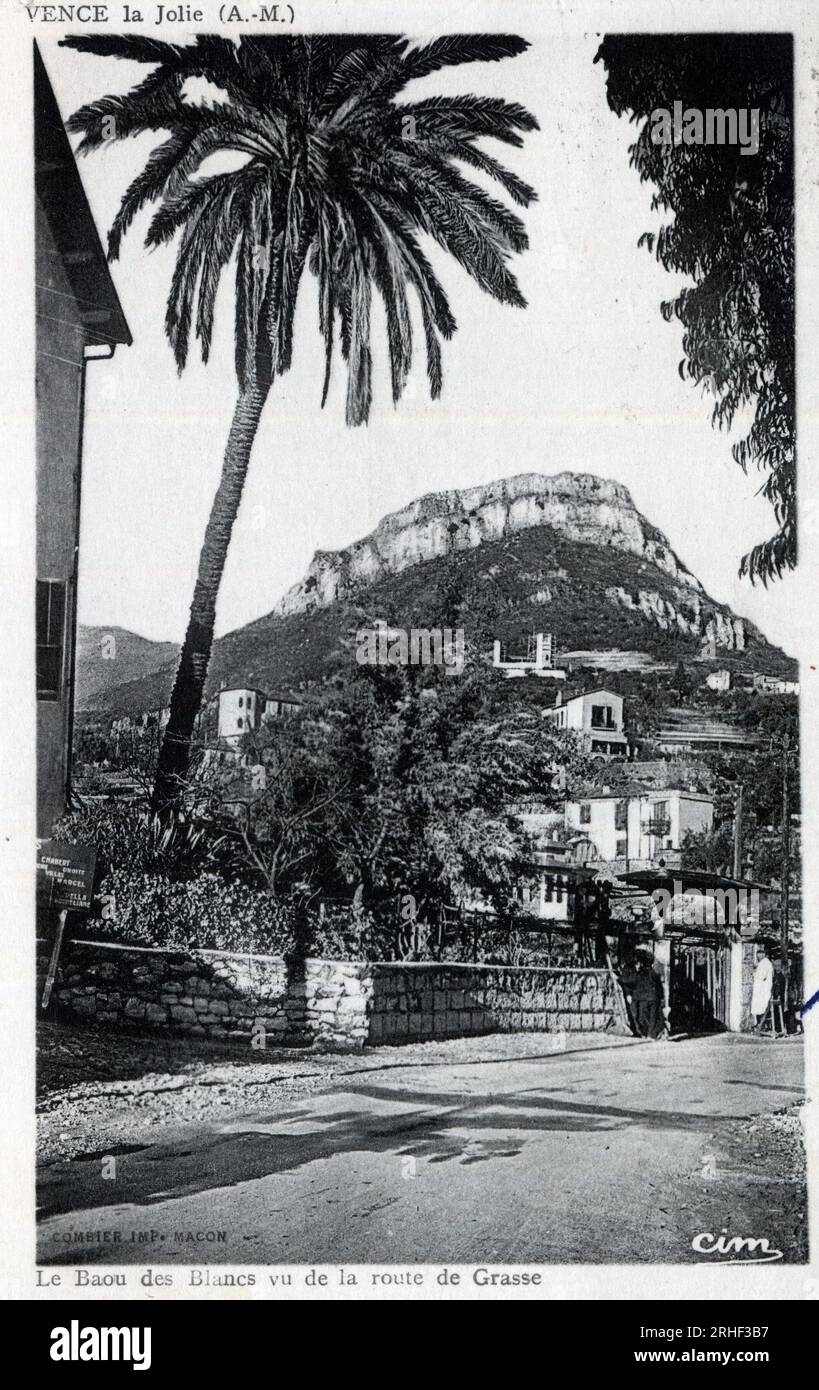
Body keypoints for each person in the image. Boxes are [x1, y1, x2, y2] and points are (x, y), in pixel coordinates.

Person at [630, 948, 664, 1038]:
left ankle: (646, 1033)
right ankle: (651, 1034)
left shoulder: (641, 973)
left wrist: (618, 978)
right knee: (652, 1017)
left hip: (644, 999)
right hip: (653, 998)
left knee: (643, 1018)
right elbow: (659, 985)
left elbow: (632, 981)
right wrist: (662, 997)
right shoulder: (654, 972)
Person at [751, 943, 774, 1031]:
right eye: (758, 953)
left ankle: (760, 1025)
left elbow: (762, 976)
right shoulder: (763, 963)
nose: (759, 955)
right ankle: (759, 1024)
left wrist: (754, 974)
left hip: (763, 989)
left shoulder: (765, 963)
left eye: (761, 953)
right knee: (759, 1006)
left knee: (761, 1006)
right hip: (761, 989)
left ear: (764, 954)